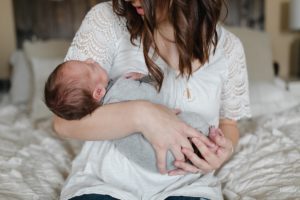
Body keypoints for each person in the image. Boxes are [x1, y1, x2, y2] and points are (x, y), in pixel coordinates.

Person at [54, 0, 251, 199]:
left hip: (188, 186)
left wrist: (224, 150)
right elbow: (63, 123)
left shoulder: (228, 48)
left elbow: (228, 124)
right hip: (104, 184)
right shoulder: (107, 20)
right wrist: (143, 114)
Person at [44, 59, 218, 172]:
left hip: (161, 162)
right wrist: (146, 80)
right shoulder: (120, 92)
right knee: (195, 123)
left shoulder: (105, 112)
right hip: (168, 152)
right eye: (90, 67)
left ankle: (205, 146)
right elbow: (156, 99)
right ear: (98, 92)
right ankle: (208, 141)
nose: (91, 60)